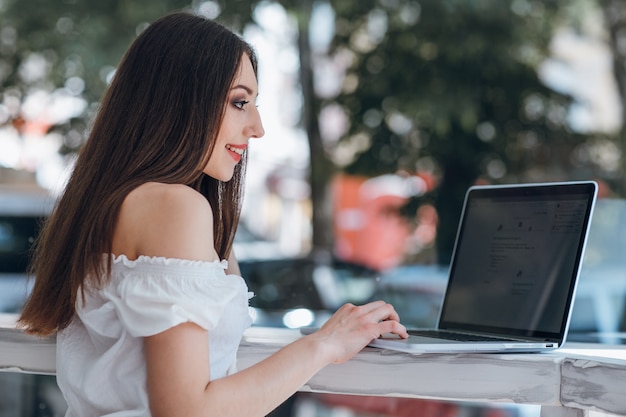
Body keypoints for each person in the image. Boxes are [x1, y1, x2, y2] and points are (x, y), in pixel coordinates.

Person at [18, 11, 408, 417]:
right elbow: (186, 409)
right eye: (240, 103)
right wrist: (324, 344)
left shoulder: (108, 204)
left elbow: (214, 378)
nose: (257, 128)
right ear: (179, 101)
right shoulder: (174, 208)